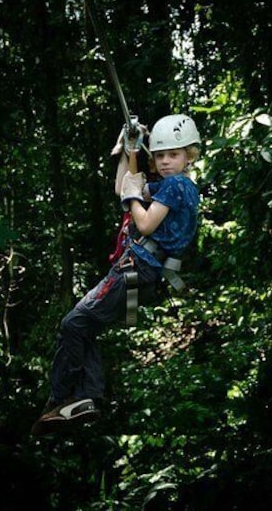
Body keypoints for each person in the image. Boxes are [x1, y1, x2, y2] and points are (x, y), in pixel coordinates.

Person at [30, 114, 201, 436]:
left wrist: (135, 196)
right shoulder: (174, 185)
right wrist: (128, 150)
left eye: (173, 155)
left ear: (189, 155)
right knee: (85, 329)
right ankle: (86, 398)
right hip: (142, 275)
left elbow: (145, 222)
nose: (165, 161)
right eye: (160, 155)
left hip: (135, 269)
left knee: (73, 325)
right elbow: (123, 188)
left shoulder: (178, 184)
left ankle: (61, 397)